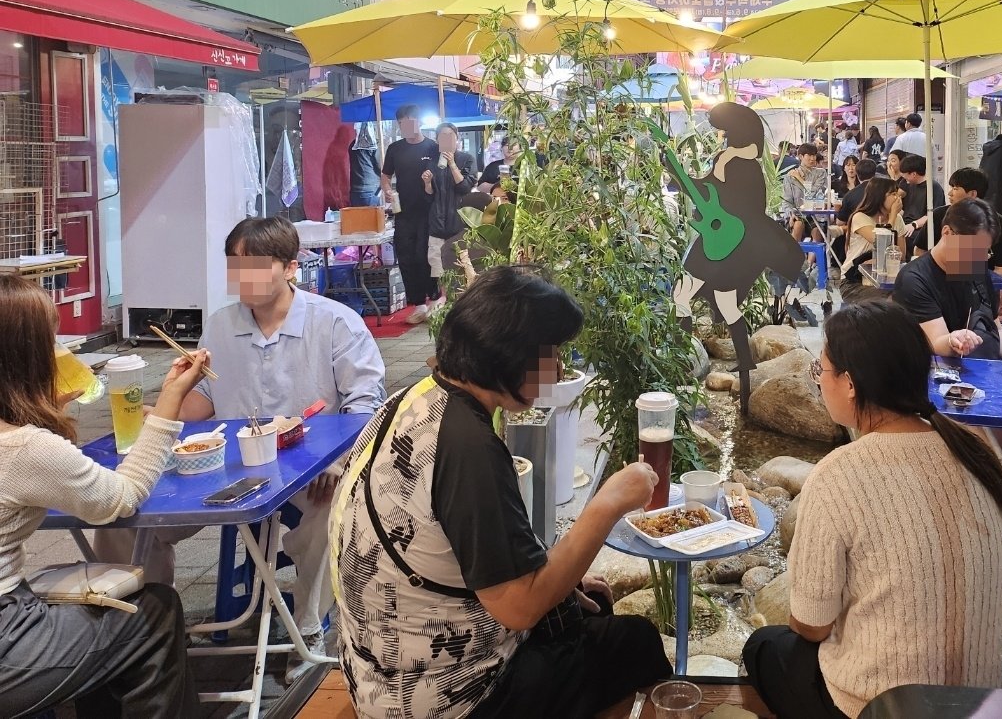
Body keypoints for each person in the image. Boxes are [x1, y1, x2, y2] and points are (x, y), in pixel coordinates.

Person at [332, 266, 671, 718]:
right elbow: (521, 608)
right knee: (634, 643)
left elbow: (462, 553)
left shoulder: (415, 400)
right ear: (511, 355)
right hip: (442, 699)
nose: (559, 367)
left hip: (378, 672)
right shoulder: (468, 448)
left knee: (589, 605)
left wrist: (564, 578)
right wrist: (607, 503)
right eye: (551, 352)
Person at [97, 217, 387, 664]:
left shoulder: (336, 324)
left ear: (290, 267)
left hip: (309, 470)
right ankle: (149, 634)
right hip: (228, 469)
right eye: (234, 264)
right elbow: (208, 397)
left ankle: (307, 630)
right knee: (127, 513)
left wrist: (339, 459)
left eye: (254, 264)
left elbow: (365, 405)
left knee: (334, 511)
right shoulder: (220, 325)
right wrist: (163, 411)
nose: (242, 277)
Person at [743, 300, 1002, 718]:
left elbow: (811, 624)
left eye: (822, 370)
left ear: (850, 383)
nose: (819, 382)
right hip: (979, 701)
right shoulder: (973, 451)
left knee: (763, 647)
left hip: (883, 707)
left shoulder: (839, 475)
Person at [0, 276, 203, 717]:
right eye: (51, 339)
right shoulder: (24, 447)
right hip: (6, 634)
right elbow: (119, 498)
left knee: (93, 613)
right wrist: (169, 399)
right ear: (27, 355)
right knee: (153, 612)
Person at [892, 198, 1001, 360]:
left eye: (984, 251)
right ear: (947, 233)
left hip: (977, 368)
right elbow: (936, 341)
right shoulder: (914, 279)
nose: (978, 258)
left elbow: (995, 329)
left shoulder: (975, 268)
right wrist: (954, 340)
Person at [381, 103, 441, 323]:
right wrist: (388, 190)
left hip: (428, 211)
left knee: (425, 255)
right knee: (406, 257)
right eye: (401, 123)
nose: (406, 126)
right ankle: (418, 304)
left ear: (419, 122)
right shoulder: (395, 149)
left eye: (410, 122)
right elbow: (386, 175)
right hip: (403, 211)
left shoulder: (432, 147)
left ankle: (435, 298)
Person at [928, 168, 1002, 274]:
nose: (949, 193)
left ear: (972, 194)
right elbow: (920, 250)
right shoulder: (939, 215)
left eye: (955, 188)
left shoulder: (997, 222)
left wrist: (986, 287)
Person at [427, 122, 484, 288]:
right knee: (439, 273)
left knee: (462, 272)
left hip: (459, 226)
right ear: (436, 140)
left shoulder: (467, 159)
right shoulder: (431, 162)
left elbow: (465, 187)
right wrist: (427, 183)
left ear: (457, 138)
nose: (446, 139)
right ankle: (444, 304)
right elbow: (428, 195)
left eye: (450, 136)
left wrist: (452, 164)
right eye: (442, 136)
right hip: (436, 225)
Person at [839, 176, 904, 294]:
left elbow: (901, 255)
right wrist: (893, 216)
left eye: (898, 194)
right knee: (885, 302)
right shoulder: (860, 217)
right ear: (879, 196)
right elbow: (881, 242)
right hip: (854, 281)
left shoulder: (898, 219)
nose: (898, 198)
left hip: (886, 278)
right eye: (893, 194)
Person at [896, 154, 945, 252]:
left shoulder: (934, 188)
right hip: (905, 223)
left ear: (913, 174)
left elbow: (932, 215)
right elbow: (903, 209)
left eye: (905, 176)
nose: (904, 179)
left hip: (921, 227)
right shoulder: (907, 185)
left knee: (907, 238)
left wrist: (914, 224)